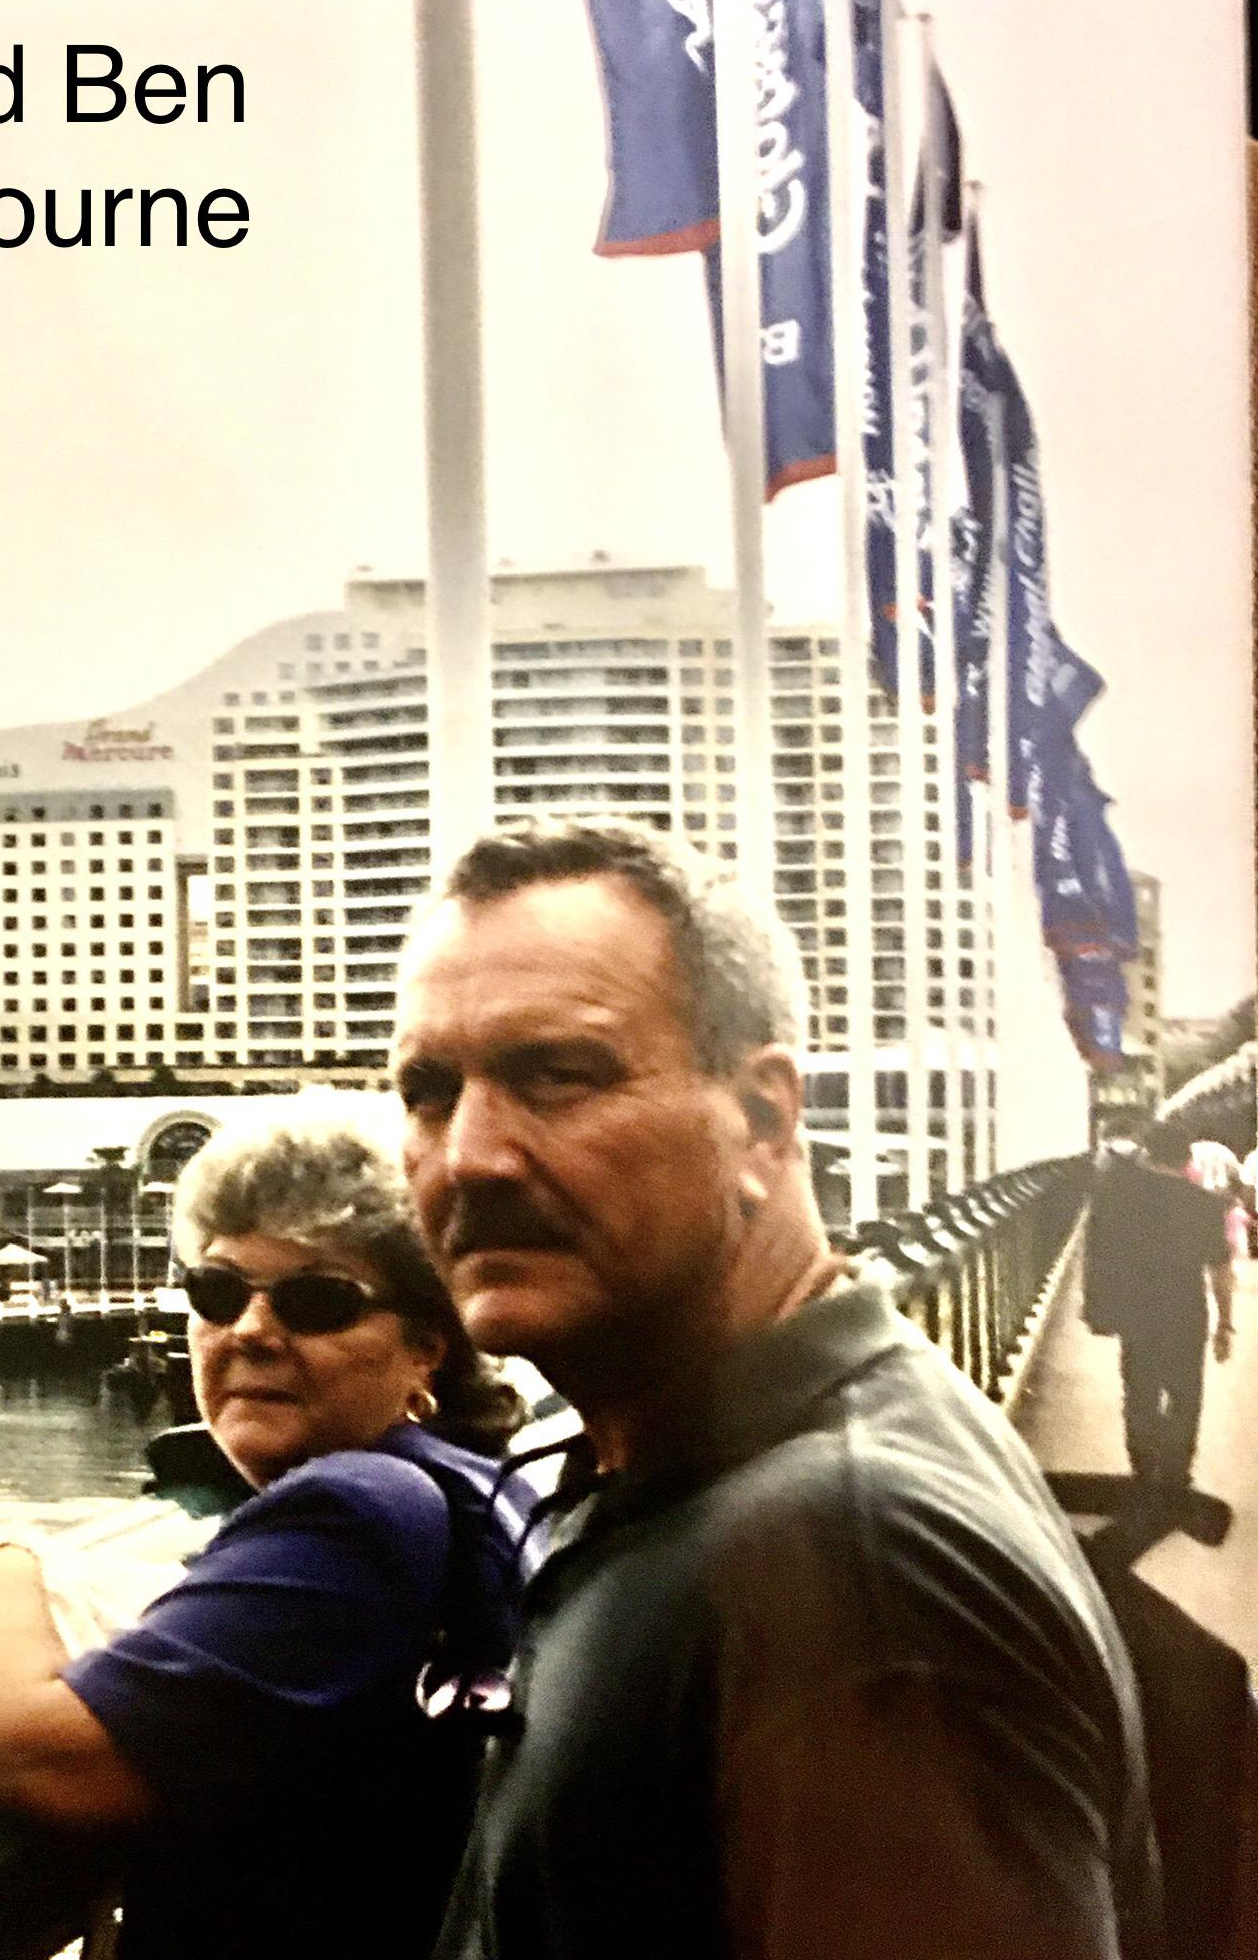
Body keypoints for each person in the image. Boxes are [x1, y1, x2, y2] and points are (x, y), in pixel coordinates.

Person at [391, 816, 1163, 1960]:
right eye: (426, 1091)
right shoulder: (694, 1466)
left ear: (761, 1118)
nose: (469, 1155)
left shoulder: (857, 1571)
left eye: (555, 1075)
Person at [0, 1093, 530, 1960]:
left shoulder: (358, 1506)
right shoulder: (481, 1488)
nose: (249, 1329)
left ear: (426, 1345)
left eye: (317, 1300)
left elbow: (49, 1763)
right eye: (216, 1291)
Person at [1086, 1124, 1236, 1494]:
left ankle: (1144, 1469)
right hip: (1186, 1312)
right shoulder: (1205, 1204)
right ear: (1187, 1159)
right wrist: (1225, 1324)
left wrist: (1098, 1307)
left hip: (1137, 1312)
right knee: (1186, 1395)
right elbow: (1221, 1271)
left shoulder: (1123, 1201)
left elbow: (1102, 1256)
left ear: (1147, 1156)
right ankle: (1175, 1474)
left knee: (1139, 1392)